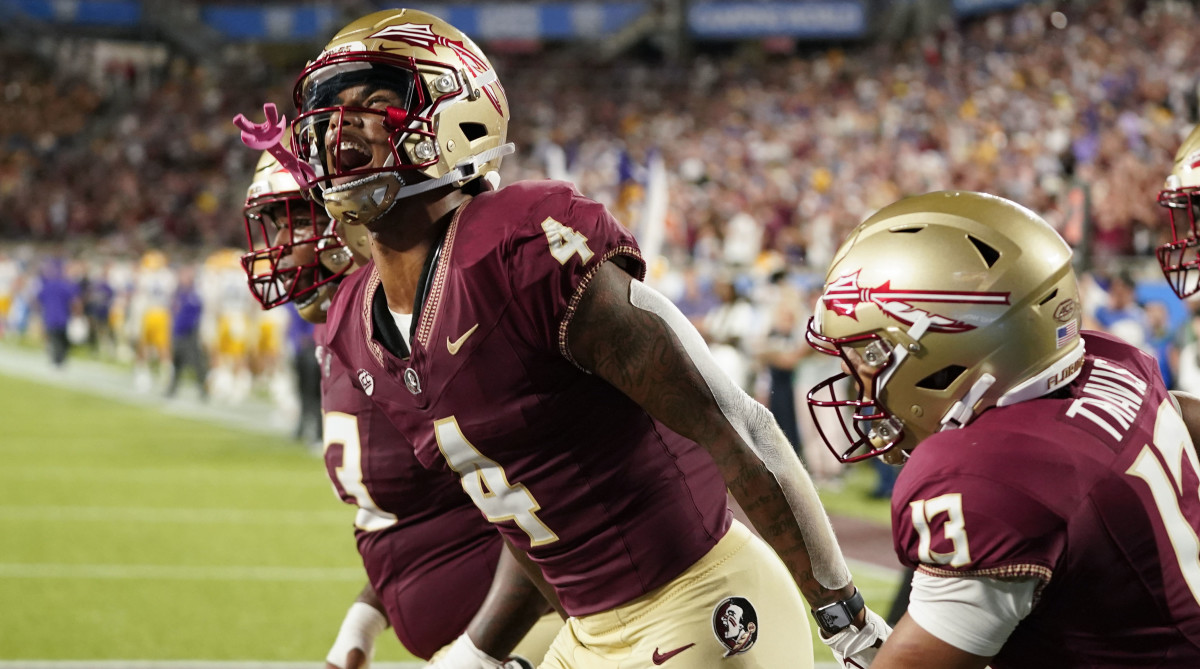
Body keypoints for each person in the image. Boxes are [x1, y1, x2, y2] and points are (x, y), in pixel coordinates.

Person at [257, 9, 888, 667]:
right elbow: (516, 503)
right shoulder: (359, 323)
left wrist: (845, 618)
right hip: (588, 629)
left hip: (700, 601)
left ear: (454, 118)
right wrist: (479, 649)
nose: (339, 127)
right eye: (331, 109)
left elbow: (736, 421)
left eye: (373, 103)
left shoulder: (522, 247)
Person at [806, 190, 1200, 668]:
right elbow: (1184, 413)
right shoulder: (1109, 363)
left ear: (949, 349)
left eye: (870, 356)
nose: (858, 382)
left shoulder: (988, 478)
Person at [235, 148, 560, 668]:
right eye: (274, 226)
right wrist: (366, 615)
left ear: (350, 216)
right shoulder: (348, 328)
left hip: (547, 627)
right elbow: (415, 519)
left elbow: (545, 495)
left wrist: (481, 651)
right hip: (471, 638)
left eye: (294, 223)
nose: (281, 248)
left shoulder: (426, 326)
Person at [165, 264, 209, 400]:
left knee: (196, 363)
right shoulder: (178, 293)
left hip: (190, 333)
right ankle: (172, 388)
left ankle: (203, 389)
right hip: (178, 332)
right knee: (177, 361)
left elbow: (196, 315)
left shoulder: (194, 294)